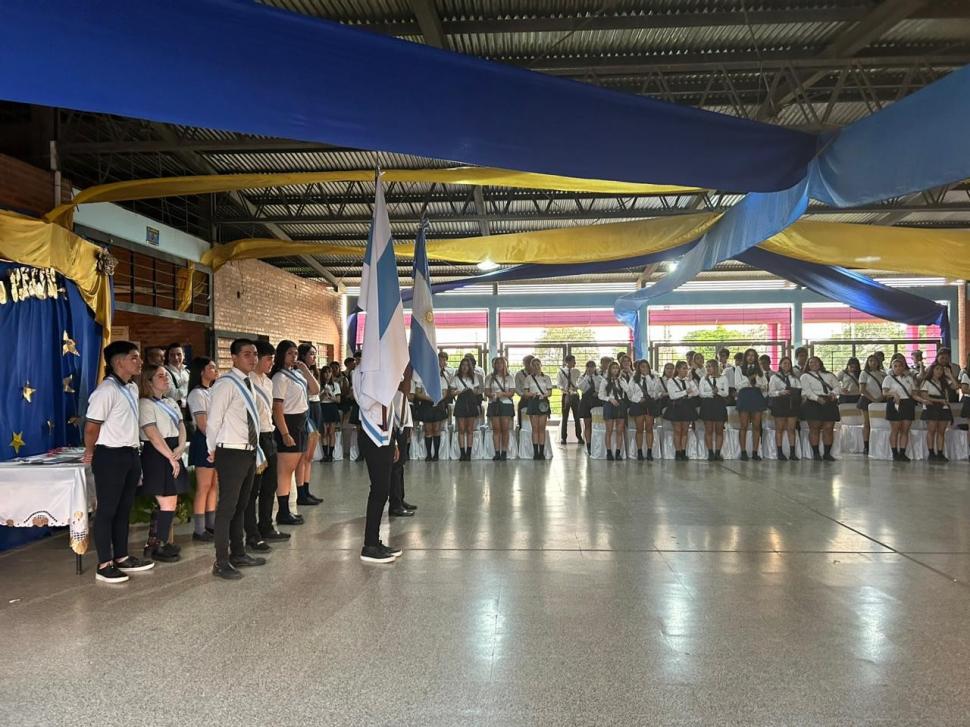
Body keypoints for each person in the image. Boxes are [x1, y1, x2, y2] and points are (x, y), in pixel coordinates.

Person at [84, 341, 155, 583]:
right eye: (134, 358)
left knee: (124, 509)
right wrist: (90, 451)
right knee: (107, 510)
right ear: (118, 362)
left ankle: (122, 557)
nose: (140, 362)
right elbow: (92, 427)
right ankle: (104, 564)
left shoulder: (132, 388)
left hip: (130, 454)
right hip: (110, 456)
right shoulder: (106, 391)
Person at [206, 338, 267, 579]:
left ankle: (238, 552)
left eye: (254, 354)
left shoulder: (247, 382)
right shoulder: (225, 384)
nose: (252, 358)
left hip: (248, 450)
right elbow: (214, 421)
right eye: (246, 354)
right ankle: (221, 560)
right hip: (230, 452)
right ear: (233, 357)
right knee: (227, 508)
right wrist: (212, 449)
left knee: (242, 505)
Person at [354, 362, 405, 564]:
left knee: (383, 490)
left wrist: (393, 441)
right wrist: (383, 384)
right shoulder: (361, 371)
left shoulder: (379, 370)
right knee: (379, 490)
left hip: (385, 436)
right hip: (372, 436)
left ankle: (374, 540)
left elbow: (389, 405)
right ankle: (369, 545)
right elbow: (365, 403)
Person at [137, 364, 188, 563]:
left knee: (171, 501)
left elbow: (181, 426)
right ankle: (158, 545)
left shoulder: (171, 402)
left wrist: (181, 447)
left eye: (166, 375)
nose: (166, 378)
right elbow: (152, 433)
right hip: (158, 453)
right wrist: (169, 456)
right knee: (166, 501)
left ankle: (161, 541)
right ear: (149, 382)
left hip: (173, 451)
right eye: (160, 376)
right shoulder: (145, 404)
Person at [245, 339, 287, 549]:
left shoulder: (268, 382)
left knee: (271, 484)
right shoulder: (248, 382)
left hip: (269, 435)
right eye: (268, 359)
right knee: (253, 489)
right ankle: (251, 533)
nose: (271, 363)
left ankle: (266, 526)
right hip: (255, 438)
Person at [271, 340, 310, 526]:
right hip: (289, 423)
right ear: (281, 355)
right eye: (289, 353)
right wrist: (285, 433)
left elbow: (316, 389)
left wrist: (305, 369)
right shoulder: (279, 377)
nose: (294, 357)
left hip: (301, 421)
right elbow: (277, 407)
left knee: (292, 469)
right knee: (285, 471)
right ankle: (283, 511)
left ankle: (287, 510)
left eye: (295, 353)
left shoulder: (297, 374)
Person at [187, 356, 219, 542]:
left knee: (214, 485)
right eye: (211, 367)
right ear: (201, 371)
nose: (215, 370)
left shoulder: (212, 391)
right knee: (204, 486)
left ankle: (211, 524)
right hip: (205, 441)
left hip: (215, 440)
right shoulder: (197, 394)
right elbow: (202, 424)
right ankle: (199, 529)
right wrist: (214, 442)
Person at [295, 344, 323, 506]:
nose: (314, 357)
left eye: (315, 354)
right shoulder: (298, 372)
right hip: (305, 412)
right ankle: (300, 492)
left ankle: (306, 489)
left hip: (314, 409)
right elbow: (314, 390)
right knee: (304, 456)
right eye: (311, 354)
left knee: (309, 456)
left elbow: (316, 390)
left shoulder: (311, 371)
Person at [800, 356, 840, 461]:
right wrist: (817, 399)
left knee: (829, 428)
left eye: (816, 362)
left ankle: (827, 454)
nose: (813, 364)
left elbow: (837, 386)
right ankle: (816, 453)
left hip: (829, 401)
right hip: (813, 403)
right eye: (811, 363)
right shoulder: (805, 376)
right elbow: (807, 391)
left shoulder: (829, 375)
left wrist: (833, 393)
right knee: (814, 428)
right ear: (808, 365)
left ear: (820, 363)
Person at [388, 375, 417, 518]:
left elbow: (406, 411)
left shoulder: (401, 394)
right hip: (395, 430)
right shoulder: (391, 393)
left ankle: (400, 499)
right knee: (395, 467)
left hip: (403, 428)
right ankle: (395, 504)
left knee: (400, 467)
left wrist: (409, 427)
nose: (406, 383)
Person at [882, 356, 918, 462]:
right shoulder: (888, 378)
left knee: (905, 430)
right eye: (895, 366)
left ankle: (902, 453)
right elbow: (884, 393)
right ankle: (894, 453)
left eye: (900, 366)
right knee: (895, 429)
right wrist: (893, 393)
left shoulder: (909, 378)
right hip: (894, 403)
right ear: (892, 368)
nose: (898, 368)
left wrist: (923, 400)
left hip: (908, 403)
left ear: (904, 367)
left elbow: (914, 393)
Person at [625, 360, 662, 461]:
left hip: (649, 405)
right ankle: (639, 451)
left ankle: (649, 452)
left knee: (649, 429)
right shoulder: (634, 379)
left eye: (646, 366)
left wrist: (648, 377)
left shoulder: (654, 378)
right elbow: (629, 393)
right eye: (642, 367)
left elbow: (655, 392)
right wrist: (638, 399)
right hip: (638, 404)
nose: (644, 368)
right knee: (639, 429)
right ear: (638, 368)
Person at [735, 348, 767, 461]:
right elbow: (737, 385)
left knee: (757, 426)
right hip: (744, 396)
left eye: (753, 355)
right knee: (743, 426)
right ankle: (743, 452)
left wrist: (757, 382)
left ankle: (755, 452)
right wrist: (748, 379)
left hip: (756, 396)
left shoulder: (760, 369)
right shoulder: (739, 369)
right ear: (745, 357)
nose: (751, 357)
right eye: (748, 355)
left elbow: (764, 385)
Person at [768, 356, 801, 461]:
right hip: (779, 404)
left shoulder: (794, 378)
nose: (787, 365)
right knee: (780, 429)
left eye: (788, 363)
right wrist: (781, 392)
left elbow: (800, 390)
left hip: (792, 404)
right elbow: (770, 392)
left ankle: (792, 453)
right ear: (780, 365)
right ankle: (780, 452)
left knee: (791, 429)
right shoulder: (774, 377)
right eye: (784, 363)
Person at [665, 361, 698, 461]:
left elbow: (696, 393)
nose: (685, 370)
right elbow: (673, 395)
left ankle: (683, 451)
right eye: (683, 368)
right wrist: (685, 392)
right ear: (678, 369)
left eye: (686, 368)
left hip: (687, 406)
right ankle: (677, 452)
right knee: (677, 430)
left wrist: (691, 381)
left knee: (685, 431)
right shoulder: (671, 381)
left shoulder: (689, 380)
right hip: (676, 407)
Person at [921, 363, 953, 462]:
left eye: (941, 370)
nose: (939, 371)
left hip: (943, 407)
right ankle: (931, 453)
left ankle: (940, 453)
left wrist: (950, 375)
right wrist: (939, 401)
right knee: (932, 430)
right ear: (932, 370)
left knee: (941, 431)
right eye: (937, 369)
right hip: (932, 406)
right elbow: (924, 396)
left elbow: (956, 386)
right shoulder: (926, 382)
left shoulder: (944, 381)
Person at [523, 357, 553, 460]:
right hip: (533, 401)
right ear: (531, 367)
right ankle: (536, 453)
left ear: (541, 365)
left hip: (543, 402)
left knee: (542, 428)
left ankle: (542, 452)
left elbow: (550, 392)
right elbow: (525, 392)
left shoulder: (547, 377)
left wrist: (544, 395)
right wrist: (532, 394)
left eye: (538, 364)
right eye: (534, 365)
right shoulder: (528, 378)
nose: (536, 367)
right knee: (535, 428)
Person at [698, 359, 728, 461]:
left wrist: (718, 391)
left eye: (710, 366)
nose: (708, 368)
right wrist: (711, 393)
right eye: (707, 367)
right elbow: (701, 393)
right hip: (707, 404)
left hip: (719, 404)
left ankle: (718, 453)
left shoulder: (723, 378)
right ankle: (710, 453)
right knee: (709, 430)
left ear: (715, 367)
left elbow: (726, 393)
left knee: (719, 430)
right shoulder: (703, 379)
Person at [486, 357, 515, 461]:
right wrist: (493, 395)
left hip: (506, 403)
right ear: (494, 365)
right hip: (494, 403)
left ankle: (504, 452)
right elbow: (486, 392)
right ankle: (497, 452)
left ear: (505, 365)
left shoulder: (509, 377)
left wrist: (502, 394)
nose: (499, 365)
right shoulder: (489, 377)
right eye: (497, 363)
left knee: (505, 429)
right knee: (496, 429)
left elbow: (512, 392)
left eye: (501, 363)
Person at [453, 357, 482, 461]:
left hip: (471, 403)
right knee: (461, 429)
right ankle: (462, 453)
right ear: (460, 366)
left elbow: (478, 390)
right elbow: (452, 392)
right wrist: (459, 391)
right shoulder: (456, 378)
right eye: (463, 365)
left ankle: (468, 453)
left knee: (470, 429)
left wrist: (471, 390)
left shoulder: (474, 377)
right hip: (460, 403)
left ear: (470, 367)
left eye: (467, 365)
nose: (465, 367)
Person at [857, 354, 885, 456]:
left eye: (875, 361)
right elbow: (862, 389)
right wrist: (873, 399)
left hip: (881, 400)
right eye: (870, 361)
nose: (873, 363)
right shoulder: (864, 373)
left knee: (879, 424)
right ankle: (866, 446)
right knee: (867, 423)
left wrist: (880, 398)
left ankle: (878, 445)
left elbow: (885, 388)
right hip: (866, 400)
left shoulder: (882, 374)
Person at [599, 361, 626, 461]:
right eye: (613, 368)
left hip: (620, 404)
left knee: (620, 430)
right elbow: (600, 395)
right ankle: (609, 452)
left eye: (617, 368)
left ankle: (618, 452)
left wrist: (621, 380)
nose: (615, 370)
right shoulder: (605, 380)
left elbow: (627, 390)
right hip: (609, 404)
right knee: (609, 430)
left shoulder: (621, 380)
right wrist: (610, 399)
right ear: (610, 369)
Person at [577, 360, 602, 455]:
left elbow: (602, 388)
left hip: (596, 402)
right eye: (589, 366)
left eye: (592, 366)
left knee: (596, 423)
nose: (591, 368)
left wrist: (598, 392)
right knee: (587, 424)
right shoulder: (582, 377)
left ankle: (597, 443)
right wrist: (587, 376)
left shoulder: (599, 377)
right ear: (586, 368)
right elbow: (582, 387)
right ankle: (588, 445)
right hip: (586, 402)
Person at [558, 355, 583, 445]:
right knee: (565, 417)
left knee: (577, 417)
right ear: (567, 362)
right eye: (573, 361)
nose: (574, 363)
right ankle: (563, 438)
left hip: (575, 395)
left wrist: (577, 387)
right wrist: (563, 389)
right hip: (566, 395)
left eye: (574, 361)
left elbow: (580, 382)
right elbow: (559, 383)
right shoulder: (561, 371)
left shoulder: (577, 371)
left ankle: (579, 437)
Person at [319, 364, 341, 462]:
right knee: (324, 433)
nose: (327, 374)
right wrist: (323, 394)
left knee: (331, 433)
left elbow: (338, 400)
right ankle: (325, 455)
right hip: (323, 407)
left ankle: (331, 455)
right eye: (325, 372)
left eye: (329, 372)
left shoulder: (335, 385)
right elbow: (317, 400)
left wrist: (331, 395)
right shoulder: (319, 385)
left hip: (332, 408)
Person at [164, 343, 190, 414]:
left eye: (179, 354)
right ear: (168, 357)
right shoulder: (165, 372)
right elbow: (173, 395)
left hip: (189, 410)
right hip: (173, 411)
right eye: (172, 355)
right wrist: (188, 384)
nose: (175, 357)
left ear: (183, 355)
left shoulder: (187, 372)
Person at [514, 354, 535, 432]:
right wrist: (522, 394)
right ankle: (521, 433)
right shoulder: (519, 374)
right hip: (524, 399)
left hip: (535, 399)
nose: (527, 364)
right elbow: (516, 387)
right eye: (525, 363)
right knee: (521, 419)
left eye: (529, 363)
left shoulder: (538, 374)